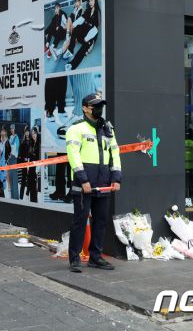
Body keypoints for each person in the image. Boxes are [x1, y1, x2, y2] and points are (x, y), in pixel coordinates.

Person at [66, 93, 121, 273]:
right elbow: (73, 156)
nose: (99, 108)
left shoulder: (107, 129)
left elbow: (115, 153)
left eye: (100, 105)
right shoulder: (76, 129)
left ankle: (95, 257)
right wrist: (83, 180)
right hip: (84, 185)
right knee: (80, 221)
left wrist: (116, 178)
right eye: (95, 105)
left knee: (101, 222)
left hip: (104, 183)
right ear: (85, 108)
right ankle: (74, 258)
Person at [7, 124, 20, 200]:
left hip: (14, 157)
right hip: (10, 158)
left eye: (13, 128)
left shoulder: (16, 137)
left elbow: (17, 149)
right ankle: (12, 197)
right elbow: (9, 148)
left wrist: (13, 155)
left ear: (15, 129)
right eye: (11, 128)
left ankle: (16, 197)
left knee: (14, 177)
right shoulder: (10, 137)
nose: (12, 130)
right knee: (11, 177)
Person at [18, 127, 31, 200]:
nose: (27, 133)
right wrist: (24, 159)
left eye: (28, 131)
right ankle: (21, 197)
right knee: (23, 180)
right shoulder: (23, 142)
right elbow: (20, 154)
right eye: (26, 132)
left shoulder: (32, 141)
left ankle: (27, 194)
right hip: (24, 164)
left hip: (30, 163)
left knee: (30, 179)